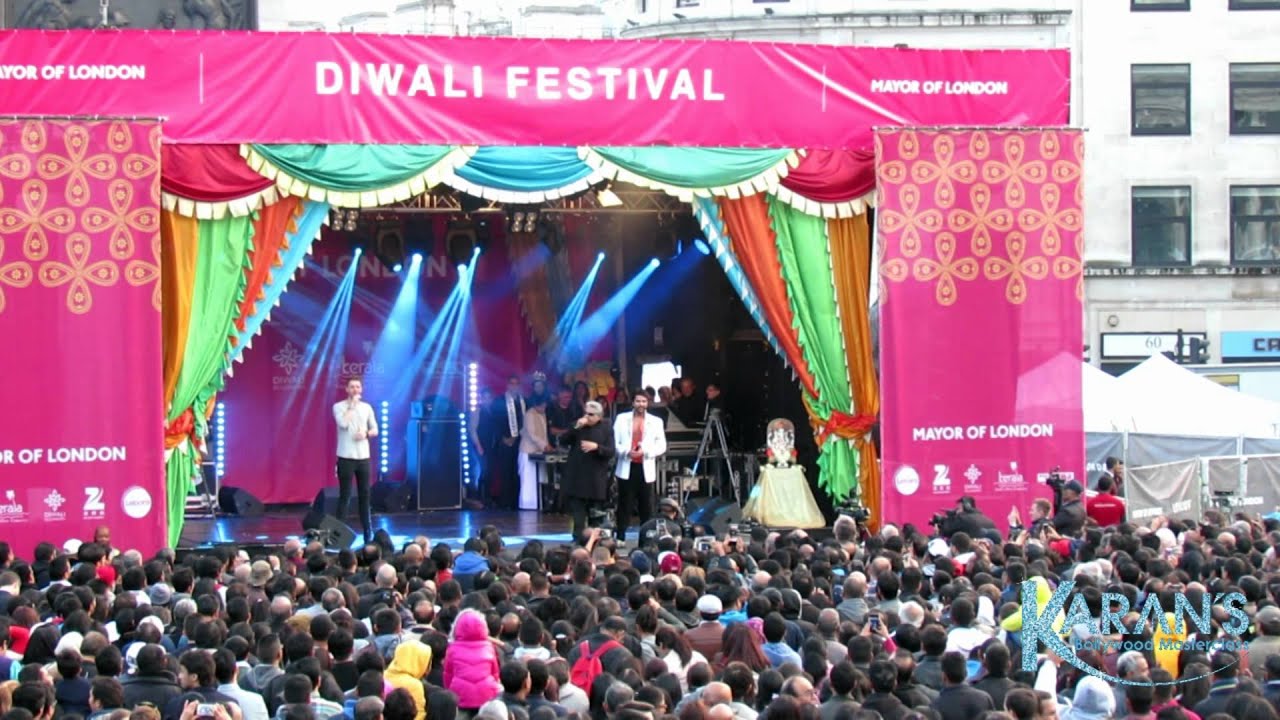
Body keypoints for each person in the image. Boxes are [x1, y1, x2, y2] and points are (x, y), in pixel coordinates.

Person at [612, 389, 667, 542]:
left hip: (646, 467)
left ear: (647, 403)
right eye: (638, 401)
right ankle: (620, 537)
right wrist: (626, 452)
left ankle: (645, 540)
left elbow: (662, 445)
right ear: (633, 402)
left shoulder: (656, 421)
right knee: (624, 505)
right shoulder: (621, 419)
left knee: (646, 506)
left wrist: (646, 452)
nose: (641, 404)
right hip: (627, 466)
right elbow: (614, 443)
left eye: (644, 401)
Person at [560, 401, 615, 544]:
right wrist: (576, 427)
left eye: (591, 414)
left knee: (595, 516)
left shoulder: (606, 428)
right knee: (578, 515)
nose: (587, 417)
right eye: (585, 413)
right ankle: (577, 540)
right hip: (577, 478)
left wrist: (597, 447)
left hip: (595, 479)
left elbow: (611, 451)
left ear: (599, 416)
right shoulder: (577, 426)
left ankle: (594, 541)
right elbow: (563, 440)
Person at [332, 376, 378, 544]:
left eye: (358, 387)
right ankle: (339, 533)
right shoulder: (339, 407)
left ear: (361, 389)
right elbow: (343, 424)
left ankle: (368, 532)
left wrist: (365, 434)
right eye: (352, 387)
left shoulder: (367, 408)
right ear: (347, 389)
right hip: (345, 457)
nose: (355, 390)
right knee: (345, 495)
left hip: (363, 457)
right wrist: (351, 406)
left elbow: (375, 429)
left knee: (365, 495)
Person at [484, 376, 526, 510]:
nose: (514, 386)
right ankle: (505, 502)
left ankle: (516, 501)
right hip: (504, 441)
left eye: (516, 384)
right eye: (511, 383)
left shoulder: (523, 401)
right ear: (507, 385)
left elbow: (524, 421)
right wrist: (505, 437)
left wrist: (517, 436)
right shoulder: (499, 401)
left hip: (520, 441)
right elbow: (495, 421)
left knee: (517, 472)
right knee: (505, 472)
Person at [518, 395, 553, 511]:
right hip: (527, 450)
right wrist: (545, 445)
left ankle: (540, 504)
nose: (544, 408)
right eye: (542, 406)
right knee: (528, 479)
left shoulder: (543, 414)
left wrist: (546, 446)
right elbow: (532, 434)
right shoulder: (529, 414)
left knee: (540, 478)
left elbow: (544, 433)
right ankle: (527, 505)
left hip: (539, 451)